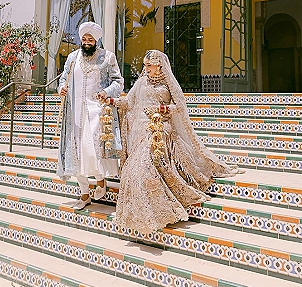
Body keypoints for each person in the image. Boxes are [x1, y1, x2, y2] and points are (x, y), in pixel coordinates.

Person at [101, 49, 241, 236]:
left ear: (159, 65)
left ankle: (159, 210)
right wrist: (111, 100)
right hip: (140, 130)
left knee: (144, 166)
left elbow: (180, 106)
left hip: (161, 127)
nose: (146, 69)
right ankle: (144, 213)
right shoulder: (141, 82)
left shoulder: (168, 83)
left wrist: (164, 108)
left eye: (149, 65)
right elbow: (129, 103)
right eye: (145, 65)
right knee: (133, 169)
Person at [56, 21, 124, 210]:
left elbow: (118, 82)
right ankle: (84, 194)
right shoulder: (72, 58)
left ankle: (101, 179)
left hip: (98, 112)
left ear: (96, 40)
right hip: (75, 113)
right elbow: (63, 78)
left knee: (93, 151)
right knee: (77, 154)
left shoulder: (107, 57)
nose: (86, 42)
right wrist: (62, 88)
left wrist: (107, 92)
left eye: (90, 39)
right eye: (84, 38)